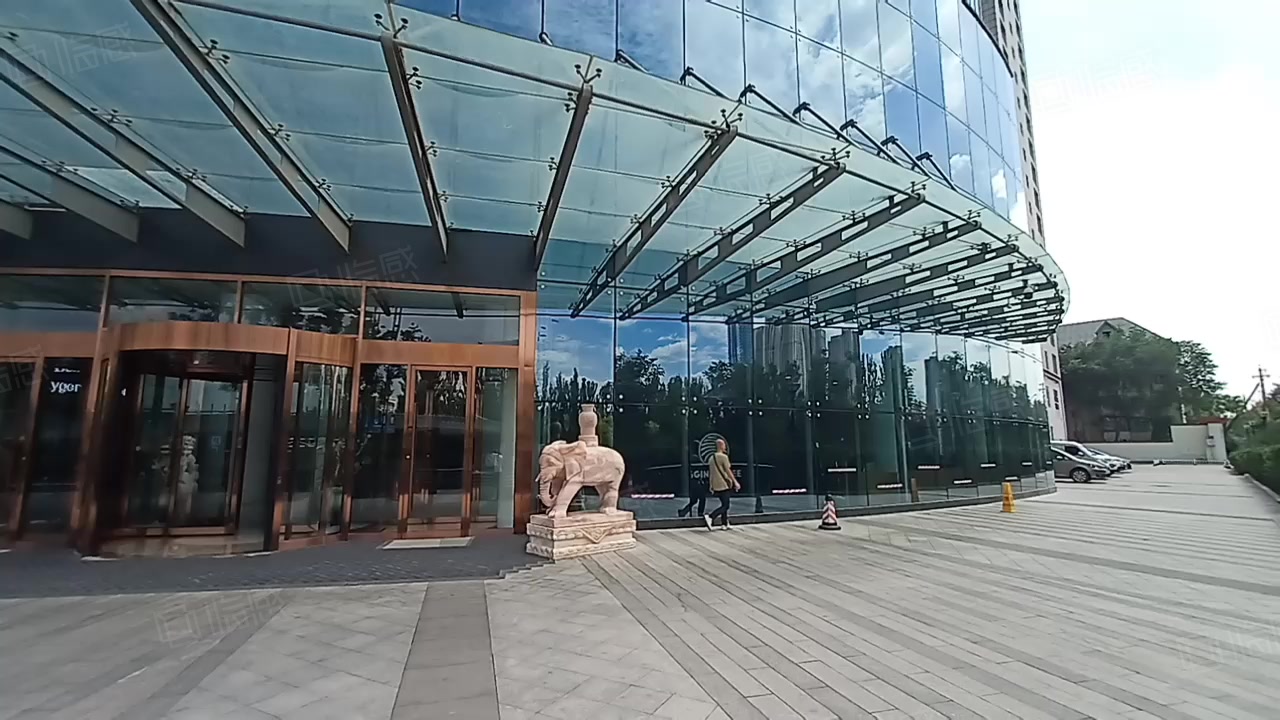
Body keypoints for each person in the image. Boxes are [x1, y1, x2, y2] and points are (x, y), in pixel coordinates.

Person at [704, 438, 739, 530]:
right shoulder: (723, 457)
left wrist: (711, 485)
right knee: (726, 505)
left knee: (724, 502)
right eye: (724, 445)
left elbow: (711, 473)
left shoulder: (711, 458)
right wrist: (735, 482)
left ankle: (724, 523)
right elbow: (728, 471)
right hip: (724, 484)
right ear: (721, 446)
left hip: (715, 485)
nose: (725, 447)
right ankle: (711, 516)